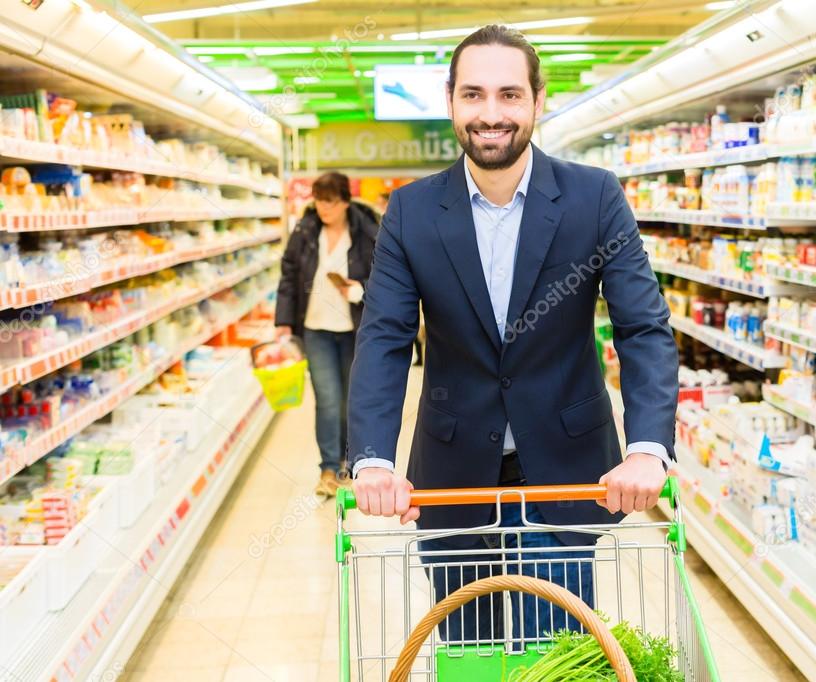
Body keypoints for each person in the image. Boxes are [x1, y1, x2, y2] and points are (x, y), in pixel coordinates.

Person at [347, 25, 678, 643]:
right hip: (452, 480)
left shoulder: (594, 197)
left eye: (509, 94)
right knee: (468, 651)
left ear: (536, 102)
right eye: (473, 95)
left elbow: (643, 329)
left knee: (551, 655)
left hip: (563, 470)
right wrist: (372, 459)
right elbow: (385, 337)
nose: (491, 114)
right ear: (450, 102)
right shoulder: (411, 210)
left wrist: (647, 448)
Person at [275, 172, 378, 497]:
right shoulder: (305, 231)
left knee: (350, 400)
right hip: (315, 329)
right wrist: (283, 322)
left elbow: (387, 276)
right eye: (319, 200)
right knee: (328, 401)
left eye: (330, 201)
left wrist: (361, 290)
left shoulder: (367, 231)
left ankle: (349, 462)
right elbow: (289, 276)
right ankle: (328, 469)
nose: (323, 208)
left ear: (345, 201)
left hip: (353, 329)